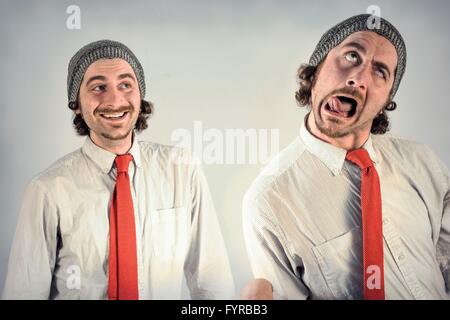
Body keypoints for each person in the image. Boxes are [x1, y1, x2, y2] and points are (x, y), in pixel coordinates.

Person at [2, 40, 234, 300]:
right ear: (76, 103)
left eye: (125, 85)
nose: (114, 100)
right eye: (98, 87)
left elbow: (213, 286)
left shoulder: (182, 170)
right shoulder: (47, 190)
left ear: (139, 94)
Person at [242, 14, 450, 299]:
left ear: (385, 101)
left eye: (380, 71)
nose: (358, 78)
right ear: (315, 72)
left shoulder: (423, 164)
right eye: (352, 55)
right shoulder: (269, 200)